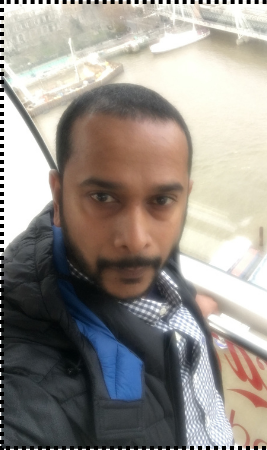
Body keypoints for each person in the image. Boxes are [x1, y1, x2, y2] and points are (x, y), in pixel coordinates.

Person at [5, 84, 234, 446]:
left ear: (183, 198)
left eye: (161, 200)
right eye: (103, 197)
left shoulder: (144, 256)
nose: (136, 237)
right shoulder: (29, 389)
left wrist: (189, 310)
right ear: (59, 195)